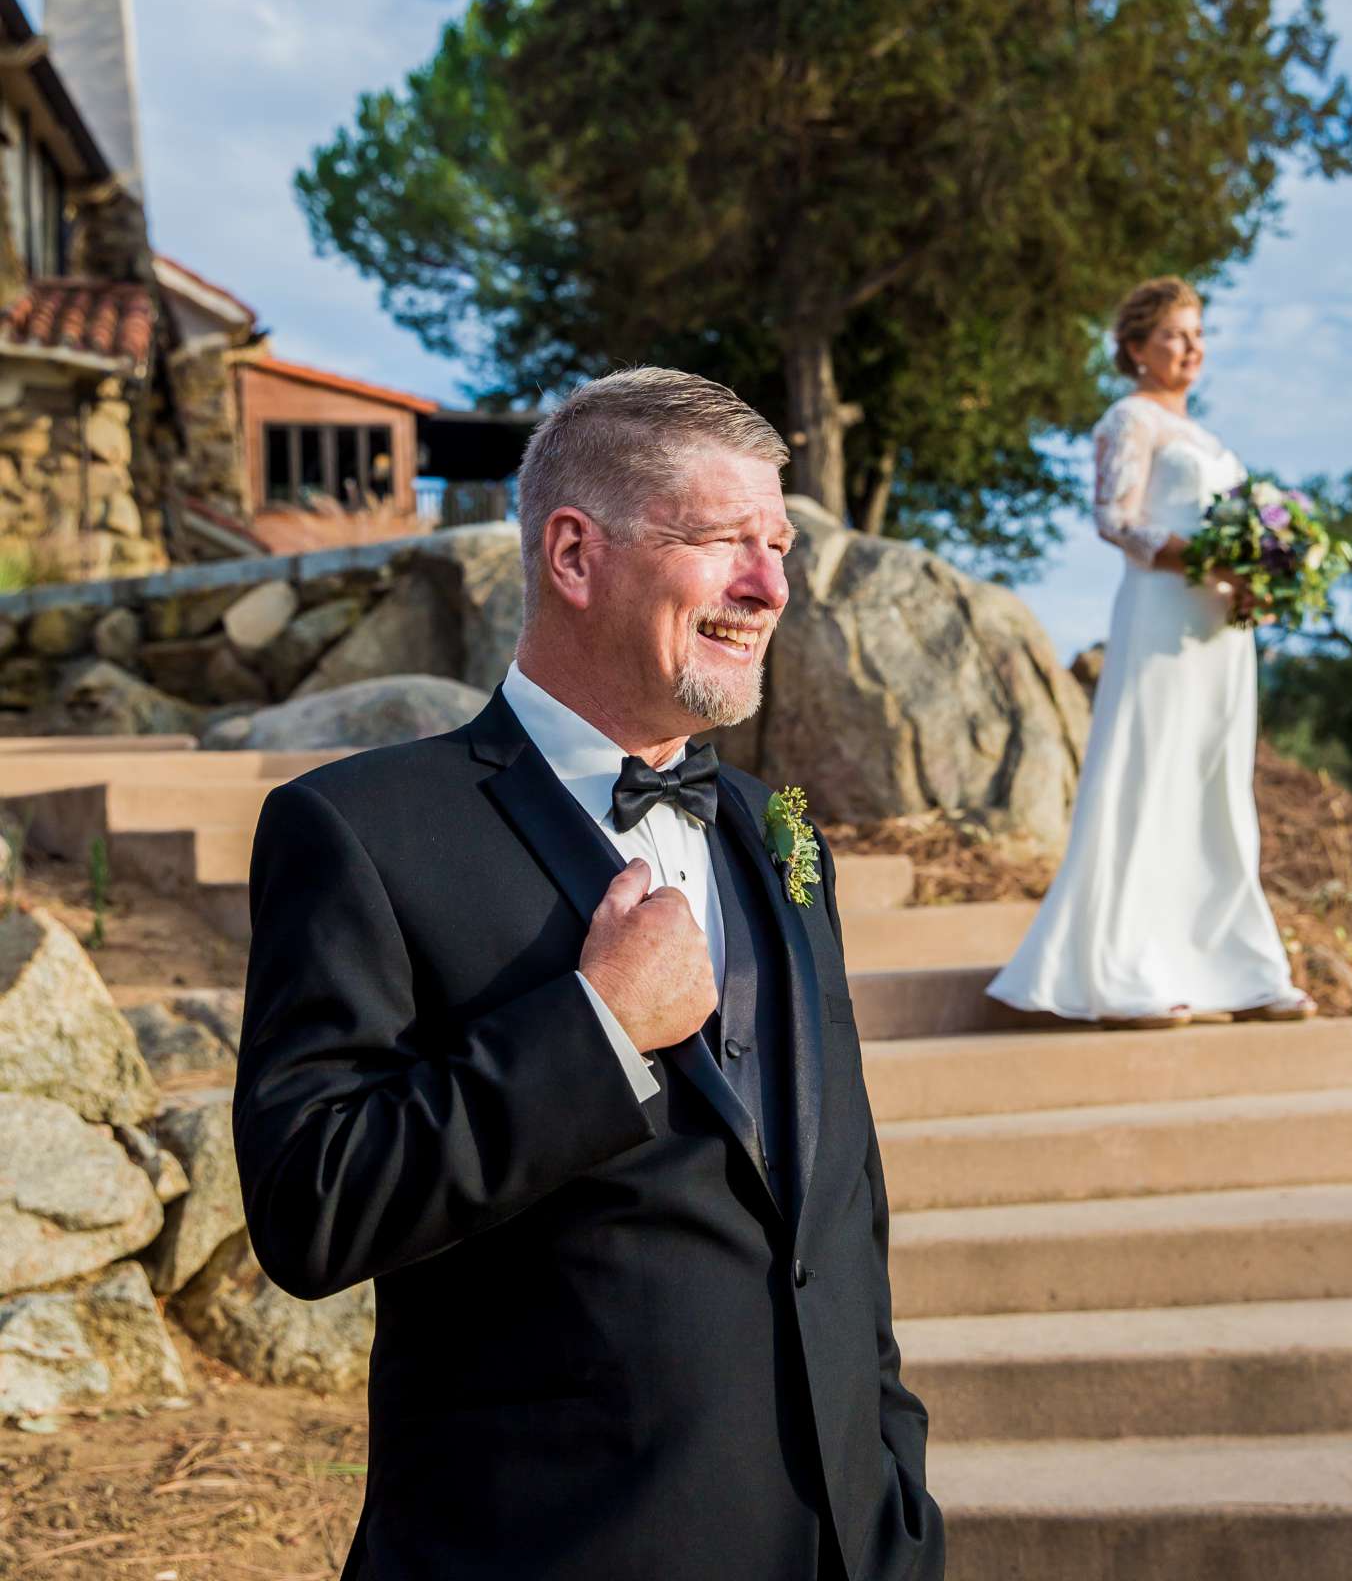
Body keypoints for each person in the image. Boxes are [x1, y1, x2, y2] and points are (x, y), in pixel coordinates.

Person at [233, 367, 942, 1581]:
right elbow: (312, 1204)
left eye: (778, 544)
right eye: (727, 541)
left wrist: (893, 1506)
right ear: (574, 555)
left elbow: (839, 1209)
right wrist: (598, 1028)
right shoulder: (360, 830)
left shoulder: (781, 838)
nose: (772, 585)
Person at [987, 277, 1312, 1029]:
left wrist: (1257, 579)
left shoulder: (1211, 441)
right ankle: (1128, 970)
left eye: (1198, 333)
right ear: (1135, 348)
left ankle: (1241, 968)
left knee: (1217, 787)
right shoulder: (1127, 419)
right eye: (1174, 334)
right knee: (1152, 773)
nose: (1192, 347)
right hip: (1162, 617)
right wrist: (1207, 562)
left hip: (1223, 631)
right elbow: (1114, 519)